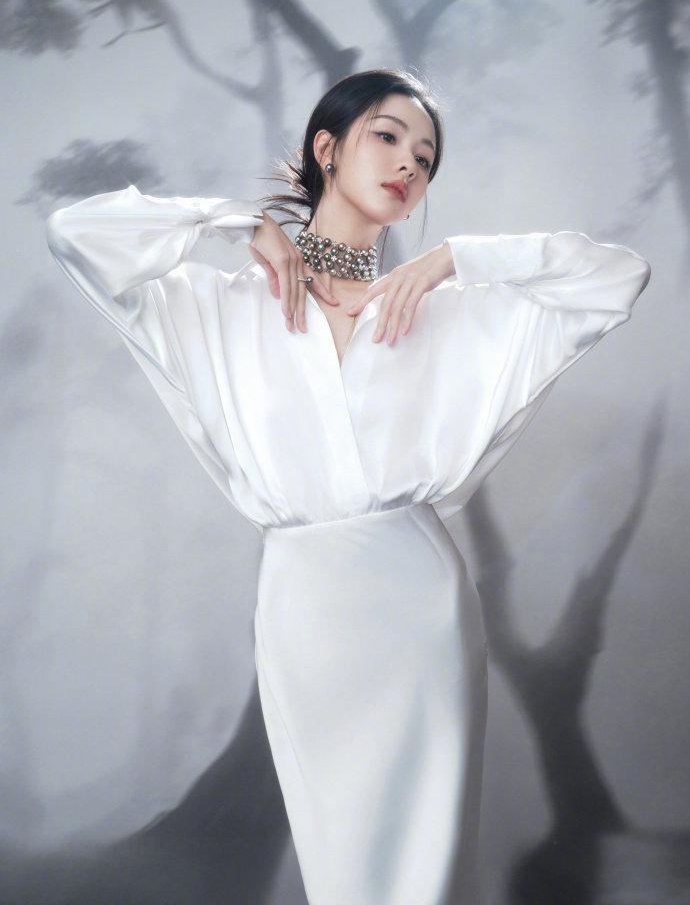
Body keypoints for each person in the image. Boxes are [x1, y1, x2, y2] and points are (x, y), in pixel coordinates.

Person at [45, 68, 651, 905]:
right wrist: (244, 224)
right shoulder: (217, 308)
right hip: (305, 609)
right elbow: (75, 234)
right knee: (343, 868)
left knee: (427, 872)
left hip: (421, 611)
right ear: (325, 149)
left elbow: (617, 277)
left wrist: (451, 259)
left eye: (426, 158)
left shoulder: (450, 313)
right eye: (388, 136)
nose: (409, 163)